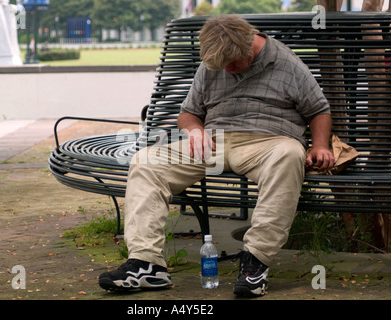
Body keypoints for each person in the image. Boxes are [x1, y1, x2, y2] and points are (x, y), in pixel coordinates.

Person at [98, 15, 335, 297]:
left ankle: (255, 262)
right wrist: (195, 131)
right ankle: (146, 264)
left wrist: (321, 145)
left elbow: (318, 109)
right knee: (147, 161)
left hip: (267, 143)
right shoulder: (215, 60)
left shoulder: (286, 63)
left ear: (249, 46)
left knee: (290, 155)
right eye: (221, 65)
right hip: (213, 143)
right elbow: (188, 113)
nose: (227, 69)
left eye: (232, 63)